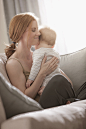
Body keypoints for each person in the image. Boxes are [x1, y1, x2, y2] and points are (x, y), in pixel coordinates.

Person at [5, 12, 76, 109]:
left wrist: (48, 87)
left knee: (62, 80)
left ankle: (70, 102)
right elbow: (24, 97)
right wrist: (42, 74)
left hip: (54, 97)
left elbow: (68, 83)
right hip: (38, 106)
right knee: (57, 80)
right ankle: (71, 102)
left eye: (37, 29)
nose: (38, 33)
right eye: (34, 30)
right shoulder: (13, 63)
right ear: (20, 32)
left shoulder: (39, 55)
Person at [26, 27, 73, 95]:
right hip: (58, 78)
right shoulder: (56, 53)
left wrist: (31, 79)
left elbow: (36, 67)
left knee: (44, 91)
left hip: (46, 82)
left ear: (37, 42)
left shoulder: (38, 52)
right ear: (53, 45)